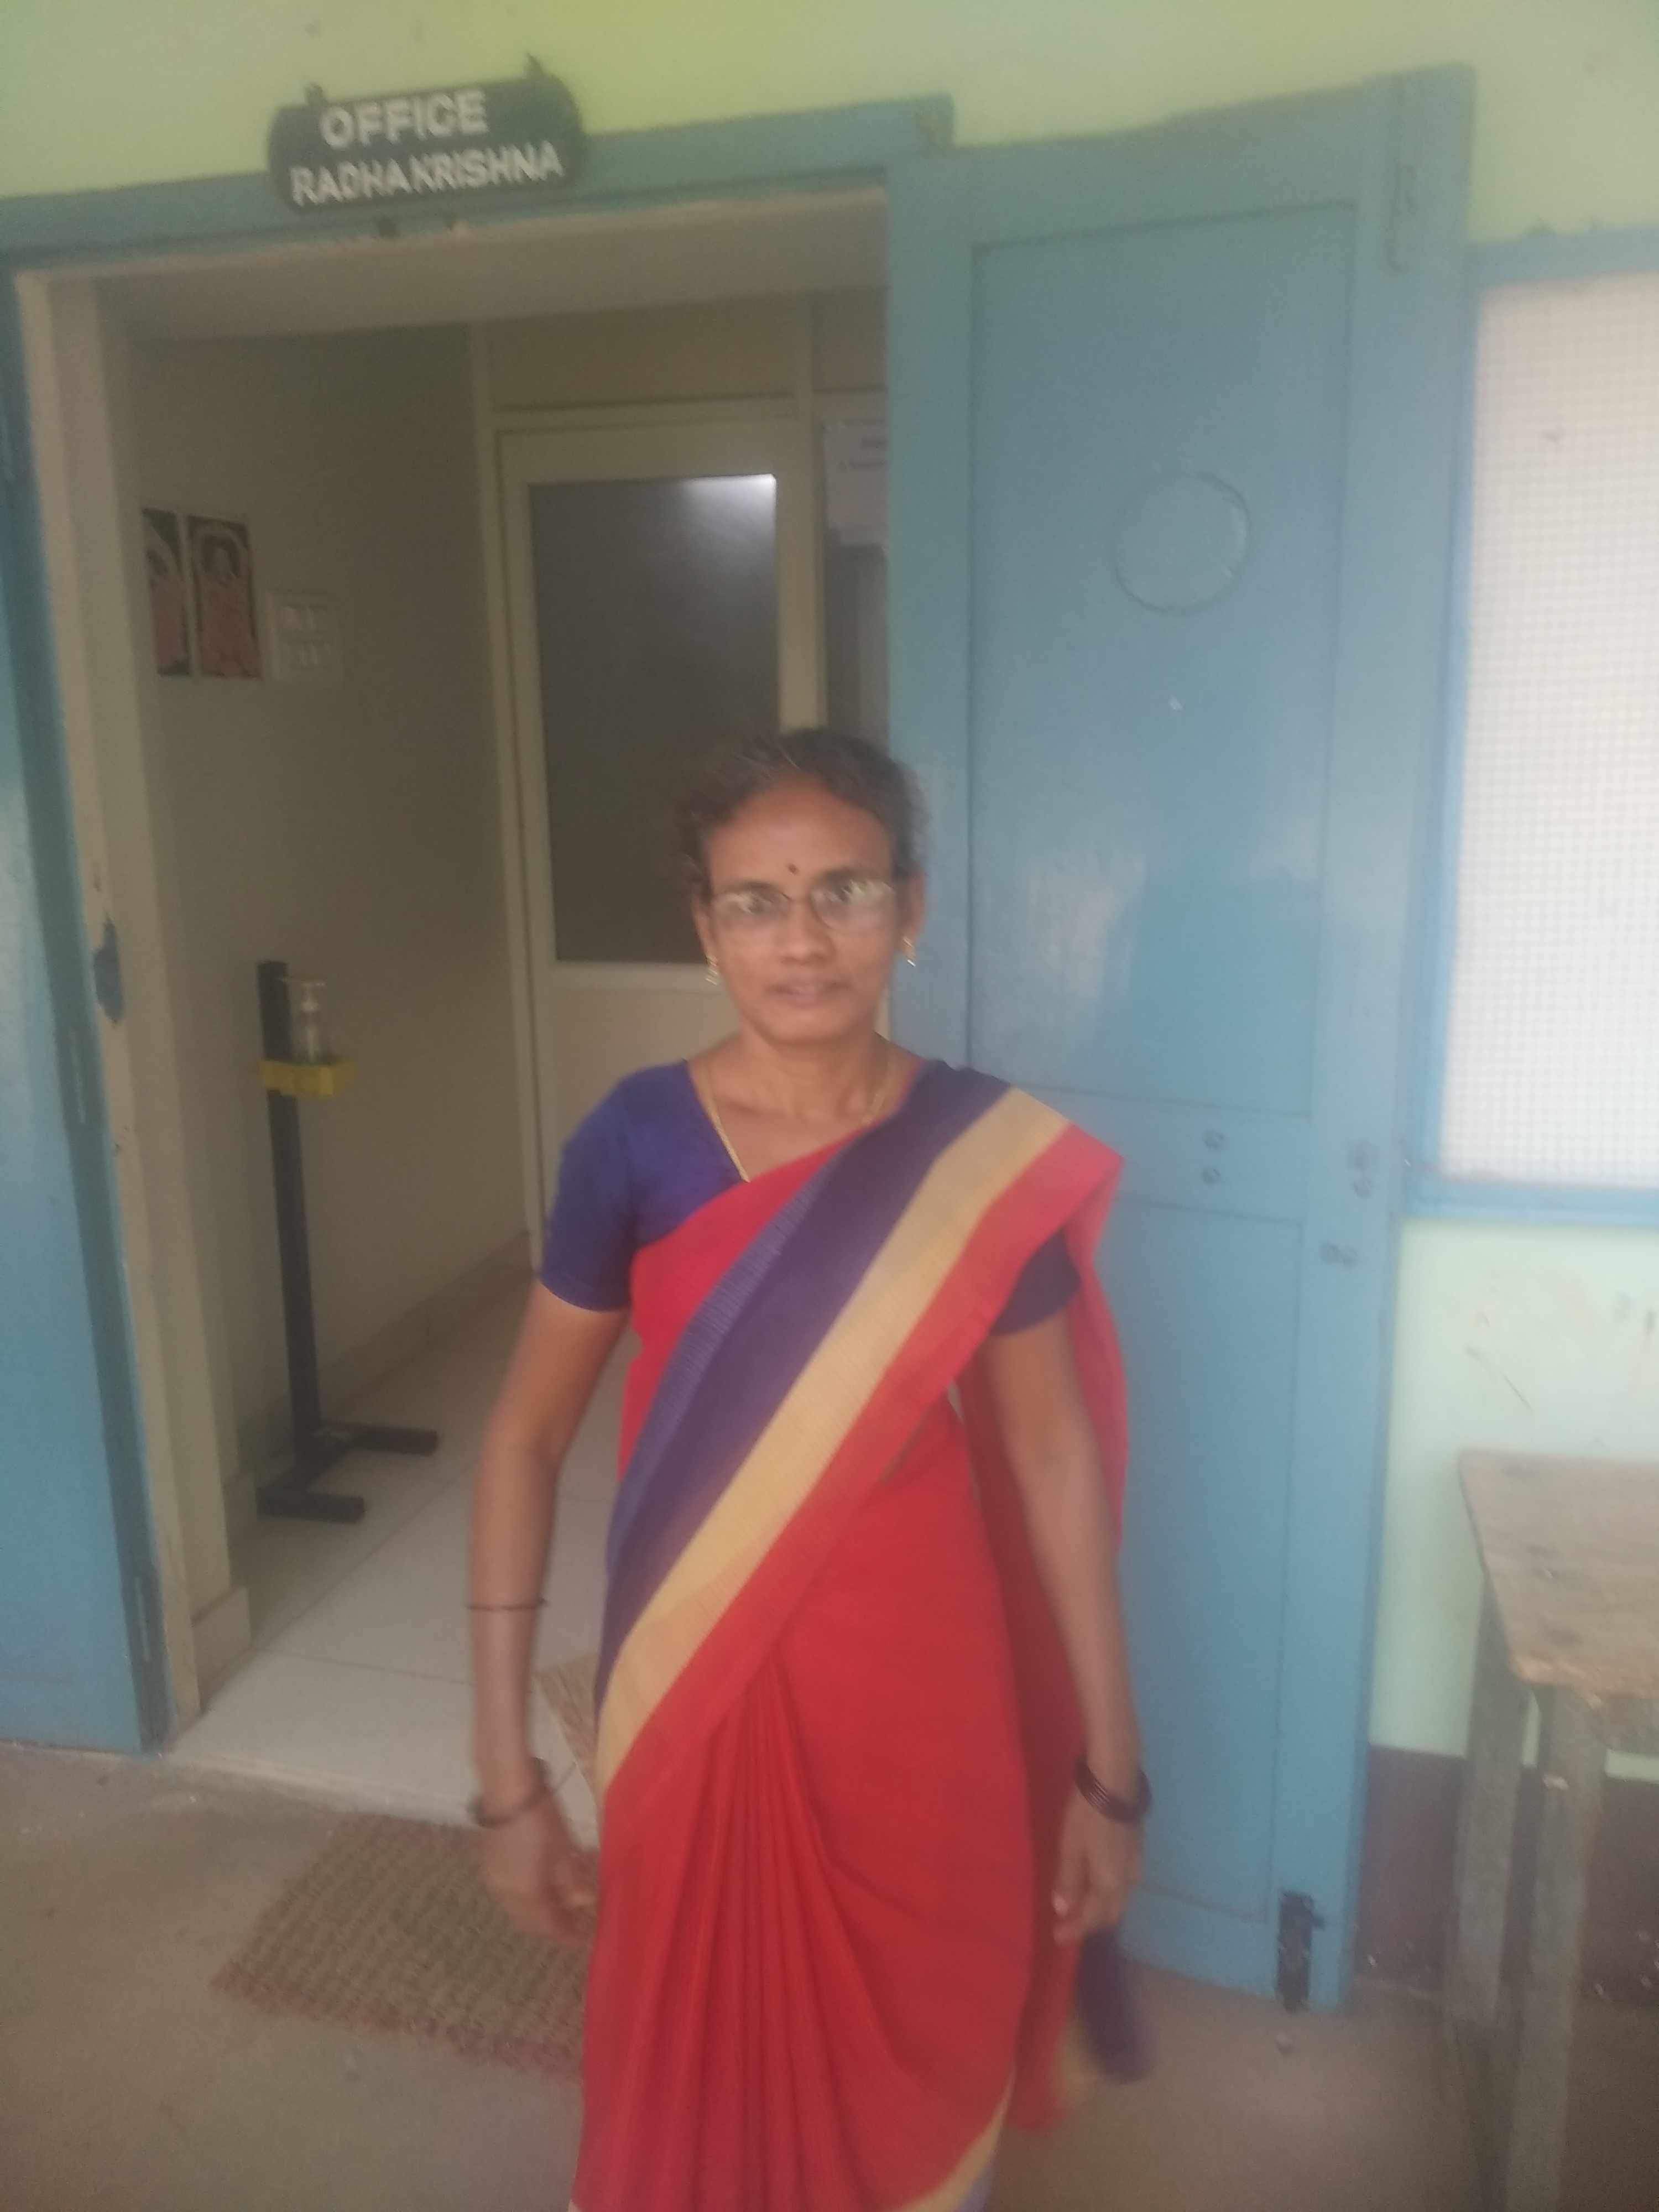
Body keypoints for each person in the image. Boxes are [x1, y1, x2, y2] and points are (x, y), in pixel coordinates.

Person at [469, 729, 1145, 2212]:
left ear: (910, 909)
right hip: (695, 1668)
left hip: (920, 1664)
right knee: (698, 2038)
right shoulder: (635, 1143)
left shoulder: (974, 1150)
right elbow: (523, 1438)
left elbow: (1051, 1453)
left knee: (933, 1995)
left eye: (844, 890)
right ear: (705, 929)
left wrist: (1113, 1764)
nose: (803, 937)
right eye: (757, 902)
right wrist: (505, 1774)